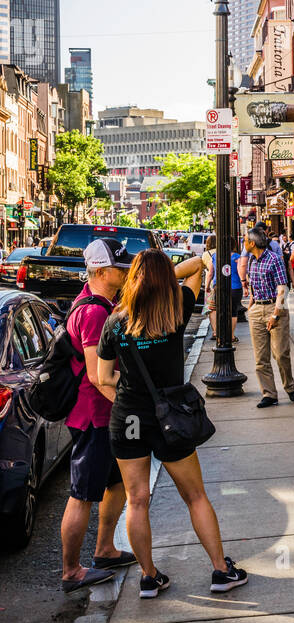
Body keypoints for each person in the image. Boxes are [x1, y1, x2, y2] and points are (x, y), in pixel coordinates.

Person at [96, 249, 248, 599]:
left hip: (129, 417)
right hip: (171, 418)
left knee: (137, 501)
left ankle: (149, 578)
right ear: (165, 279)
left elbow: (103, 377)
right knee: (195, 496)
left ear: (134, 277)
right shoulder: (177, 308)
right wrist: (165, 277)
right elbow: (196, 267)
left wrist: (131, 388)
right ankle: (221, 571)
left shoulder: (115, 321)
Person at [60, 238, 138, 593]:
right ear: (102, 271)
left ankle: (105, 549)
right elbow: (96, 375)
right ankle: (72, 571)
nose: (125, 272)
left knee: (116, 483)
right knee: (82, 494)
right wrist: (129, 405)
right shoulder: (92, 313)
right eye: (120, 267)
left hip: (105, 415)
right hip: (94, 416)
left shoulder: (103, 305)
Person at [244, 227, 294, 408]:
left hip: (275, 307)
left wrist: (275, 314)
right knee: (261, 358)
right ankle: (269, 394)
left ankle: (289, 386)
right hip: (257, 309)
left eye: (245, 240)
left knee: (281, 354)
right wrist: (251, 305)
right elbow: (254, 285)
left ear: (252, 243)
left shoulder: (275, 259)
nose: (244, 243)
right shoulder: (251, 260)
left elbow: (282, 288)